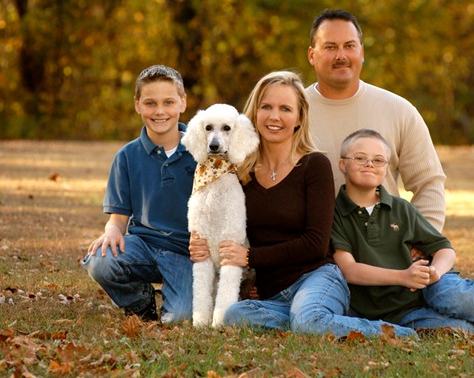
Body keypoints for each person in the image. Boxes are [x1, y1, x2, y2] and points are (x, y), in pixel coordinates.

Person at [190, 71, 417, 338]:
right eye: (266, 107)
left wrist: (251, 257)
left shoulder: (314, 165)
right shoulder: (238, 171)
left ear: (299, 118)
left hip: (317, 278)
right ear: (254, 114)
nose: (275, 116)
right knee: (235, 316)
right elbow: (221, 224)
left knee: (307, 320)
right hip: (273, 292)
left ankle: (395, 333)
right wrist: (200, 243)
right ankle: (314, 320)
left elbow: (316, 243)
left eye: (285, 109)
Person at [331, 129, 474, 333]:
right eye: (360, 158)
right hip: (396, 312)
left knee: (454, 298)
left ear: (386, 167)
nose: (369, 164)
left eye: (378, 160)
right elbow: (349, 269)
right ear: (342, 164)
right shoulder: (334, 213)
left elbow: (444, 249)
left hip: (432, 285)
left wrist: (435, 272)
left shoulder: (401, 209)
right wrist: (403, 277)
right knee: (462, 330)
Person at [306, 9, 446, 232]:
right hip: (311, 248)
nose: (341, 55)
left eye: (349, 46)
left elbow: (429, 183)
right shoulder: (291, 112)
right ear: (312, 55)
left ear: (361, 52)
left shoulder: (399, 110)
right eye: (330, 47)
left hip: (384, 246)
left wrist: (422, 240)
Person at [82, 64, 196, 324]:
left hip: (186, 253)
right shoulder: (127, 156)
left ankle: (175, 299)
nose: (159, 111)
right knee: (100, 260)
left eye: (168, 102)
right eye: (150, 103)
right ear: (138, 105)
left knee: (179, 318)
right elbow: (118, 218)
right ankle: (140, 302)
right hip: (143, 246)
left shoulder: (202, 151)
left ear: (183, 102)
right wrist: (112, 231)